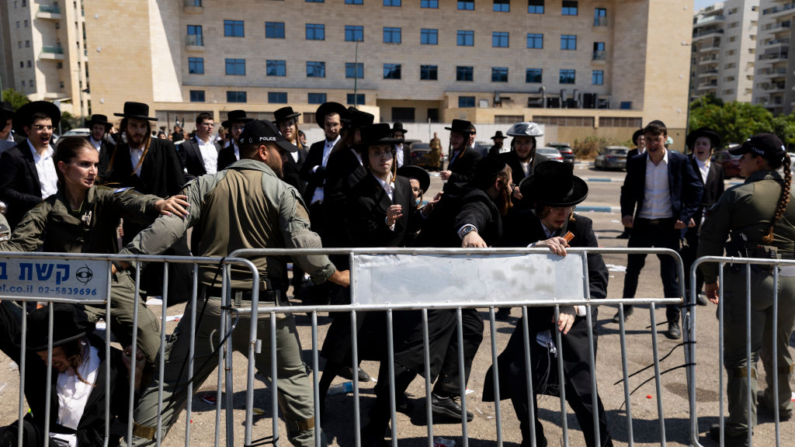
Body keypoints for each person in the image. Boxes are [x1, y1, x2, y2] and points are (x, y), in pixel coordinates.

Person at [116, 119, 350, 447]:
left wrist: (123, 259)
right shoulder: (283, 192)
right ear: (264, 151)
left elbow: (165, 230)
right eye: (282, 152)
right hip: (266, 310)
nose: (286, 159)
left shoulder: (205, 185)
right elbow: (303, 245)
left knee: (169, 386)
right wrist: (335, 274)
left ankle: (136, 444)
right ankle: (310, 442)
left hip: (210, 307)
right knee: (294, 384)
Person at [0, 137, 189, 364]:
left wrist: (156, 203)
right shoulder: (46, 210)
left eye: (96, 165)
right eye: (85, 164)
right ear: (63, 167)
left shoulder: (105, 196)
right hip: (71, 292)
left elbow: (131, 200)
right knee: (64, 352)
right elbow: (18, 246)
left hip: (114, 283)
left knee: (150, 345)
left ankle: (152, 392)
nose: (93, 171)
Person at [486, 161, 613, 447]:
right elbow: (500, 265)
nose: (562, 212)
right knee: (516, 375)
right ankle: (534, 438)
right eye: (554, 206)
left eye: (567, 206)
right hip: (536, 319)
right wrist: (532, 250)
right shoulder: (520, 222)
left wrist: (574, 305)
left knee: (583, 392)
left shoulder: (582, 227)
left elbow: (598, 280)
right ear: (539, 205)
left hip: (575, 321)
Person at [698, 133, 795, 446]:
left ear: (760, 160)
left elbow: (710, 238)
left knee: (742, 357)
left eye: (744, 156)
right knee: (778, 345)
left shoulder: (740, 194)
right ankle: (780, 404)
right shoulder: (791, 191)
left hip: (750, 280)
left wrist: (710, 278)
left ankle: (740, 428)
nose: (738, 161)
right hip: (791, 279)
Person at [417, 157, 513, 422]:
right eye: (510, 183)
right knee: (415, 346)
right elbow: (471, 217)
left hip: (438, 279)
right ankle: (398, 399)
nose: (513, 189)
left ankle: (444, 396)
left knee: (469, 326)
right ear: (498, 183)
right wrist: (469, 232)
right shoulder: (479, 200)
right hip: (433, 281)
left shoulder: (470, 192)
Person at [0, 303, 144, 447]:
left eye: (54, 355)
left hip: (87, 443)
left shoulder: (114, 363)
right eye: (43, 357)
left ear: (75, 344)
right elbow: (9, 324)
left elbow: (129, 418)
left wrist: (135, 377)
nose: (48, 363)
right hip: (43, 436)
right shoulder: (34, 360)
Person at [616, 120, 703, 339]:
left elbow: (696, 191)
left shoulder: (679, 161)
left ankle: (673, 320)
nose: (653, 143)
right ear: (643, 139)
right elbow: (627, 191)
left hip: (668, 227)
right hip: (642, 225)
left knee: (669, 275)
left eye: (657, 139)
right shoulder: (637, 162)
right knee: (632, 270)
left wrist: (685, 216)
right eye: (648, 139)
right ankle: (626, 307)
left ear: (665, 138)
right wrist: (626, 213)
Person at [102, 101, 190, 303]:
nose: (138, 131)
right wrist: (118, 221)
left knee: (174, 290)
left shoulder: (164, 147)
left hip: (166, 223)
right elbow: (113, 191)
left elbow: (179, 185)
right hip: (135, 227)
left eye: (142, 126)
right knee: (138, 290)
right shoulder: (118, 152)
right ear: (126, 127)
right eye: (133, 126)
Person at [0, 101, 61, 230]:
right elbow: (5, 191)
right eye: (39, 127)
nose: (46, 132)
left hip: (57, 221)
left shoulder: (57, 153)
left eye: (49, 127)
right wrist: (40, 202)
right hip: (27, 224)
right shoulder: (13, 155)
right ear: (27, 130)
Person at [682, 127, 724, 306]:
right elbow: (679, 192)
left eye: (704, 144)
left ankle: (697, 290)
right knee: (688, 256)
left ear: (710, 148)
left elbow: (721, 195)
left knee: (703, 256)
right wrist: (684, 215)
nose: (700, 147)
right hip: (691, 217)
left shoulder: (717, 168)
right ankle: (686, 292)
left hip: (710, 218)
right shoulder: (686, 164)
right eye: (697, 143)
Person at [300, 102, 348, 234]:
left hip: (335, 210)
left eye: (335, 125)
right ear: (323, 125)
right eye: (328, 125)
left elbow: (340, 175)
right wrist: (317, 170)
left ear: (341, 125)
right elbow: (304, 173)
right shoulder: (316, 147)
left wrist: (322, 171)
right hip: (313, 206)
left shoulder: (346, 148)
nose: (331, 128)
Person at [178, 112, 221, 180]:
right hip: (199, 186)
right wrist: (195, 180)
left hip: (217, 185)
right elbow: (179, 169)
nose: (210, 127)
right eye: (206, 124)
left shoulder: (217, 146)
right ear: (198, 126)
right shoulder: (186, 146)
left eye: (212, 125)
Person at [439, 119, 482, 187]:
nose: (453, 139)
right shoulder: (455, 153)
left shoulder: (473, 155)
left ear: (465, 138)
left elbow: (473, 179)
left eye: (457, 136)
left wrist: (452, 175)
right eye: (452, 135)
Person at [86, 114, 116, 181]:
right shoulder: (82, 144)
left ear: (105, 131)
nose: (98, 131)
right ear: (91, 128)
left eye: (101, 129)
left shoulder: (110, 147)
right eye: (96, 128)